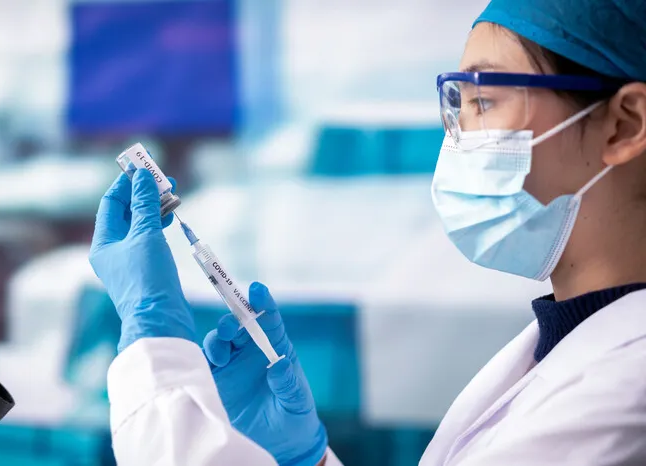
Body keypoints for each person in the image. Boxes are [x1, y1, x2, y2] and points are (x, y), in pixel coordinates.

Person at [88, 0, 646, 464]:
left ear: (625, 124)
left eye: (483, 101)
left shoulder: (625, 393)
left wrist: (152, 339)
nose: (456, 137)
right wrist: (303, 459)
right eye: (457, 104)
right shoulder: (569, 339)